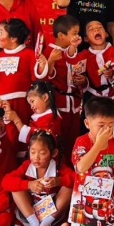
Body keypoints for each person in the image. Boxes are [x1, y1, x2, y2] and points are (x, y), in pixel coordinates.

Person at [61, 96, 114, 226]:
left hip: (106, 205)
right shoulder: (82, 142)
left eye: (111, 125)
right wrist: (98, 145)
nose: (107, 130)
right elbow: (81, 167)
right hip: (83, 205)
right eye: (101, 125)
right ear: (88, 124)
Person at [3, 130, 74, 226]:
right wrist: (28, 184)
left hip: (53, 214)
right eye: (33, 152)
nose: (36, 157)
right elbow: (6, 182)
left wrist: (59, 181)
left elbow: (76, 179)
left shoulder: (59, 167)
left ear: (54, 153)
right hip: (30, 213)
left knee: (69, 187)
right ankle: (34, 224)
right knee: (15, 187)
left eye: (42, 153)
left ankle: (46, 223)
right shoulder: (27, 166)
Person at [37, 15, 85, 154]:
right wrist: (51, 60)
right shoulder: (48, 52)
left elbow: (71, 58)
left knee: (73, 139)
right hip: (59, 103)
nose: (77, 36)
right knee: (58, 139)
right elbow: (45, 77)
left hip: (74, 105)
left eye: (78, 33)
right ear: (61, 35)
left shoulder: (73, 51)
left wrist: (82, 80)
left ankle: (72, 164)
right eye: (74, 33)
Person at [0, 18, 38, 126]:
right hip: (1, 103)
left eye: (1, 33)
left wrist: (42, 65)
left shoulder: (29, 54)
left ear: (13, 38)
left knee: (21, 128)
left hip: (22, 102)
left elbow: (36, 78)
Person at [5, 81, 62, 151]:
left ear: (45, 97)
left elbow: (32, 137)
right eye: (30, 104)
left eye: (32, 101)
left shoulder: (50, 118)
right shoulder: (47, 116)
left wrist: (16, 119)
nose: (31, 106)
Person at [80, 20, 114, 101]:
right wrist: (83, 80)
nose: (96, 30)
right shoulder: (83, 57)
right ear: (86, 39)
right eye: (91, 29)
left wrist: (112, 75)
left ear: (106, 34)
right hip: (93, 98)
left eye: (100, 27)